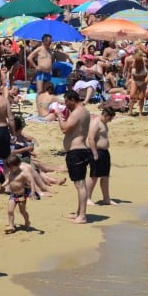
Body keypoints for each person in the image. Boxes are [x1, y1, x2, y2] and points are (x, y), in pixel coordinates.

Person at [60, 90, 92, 224]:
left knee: (80, 184)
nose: (65, 104)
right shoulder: (83, 111)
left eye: (66, 101)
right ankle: (79, 212)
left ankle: (82, 216)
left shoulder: (78, 112)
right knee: (79, 184)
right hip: (79, 150)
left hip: (76, 151)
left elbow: (65, 129)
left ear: (72, 100)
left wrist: (59, 117)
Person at [86, 107, 118, 206]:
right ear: (105, 115)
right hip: (96, 152)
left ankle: (106, 198)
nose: (110, 121)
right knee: (94, 176)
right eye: (110, 118)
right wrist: (94, 153)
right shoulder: (96, 123)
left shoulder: (104, 123)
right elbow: (91, 139)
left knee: (105, 176)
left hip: (104, 152)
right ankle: (87, 198)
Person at [3, 156, 33, 233]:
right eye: (9, 167)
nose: (10, 169)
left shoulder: (23, 173)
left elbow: (32, 182)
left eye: (12, 167)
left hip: (21, 195)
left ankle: (27, 221)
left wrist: (32, 192)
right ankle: (11, 225)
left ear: (18, 164)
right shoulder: (11, 173)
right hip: (13, 195)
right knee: (10, 211)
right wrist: (3, 185)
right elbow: (8, 180)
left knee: (22, 211)